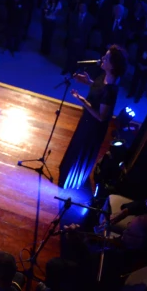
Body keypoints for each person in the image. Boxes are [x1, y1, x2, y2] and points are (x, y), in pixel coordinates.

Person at [58, 45, 127, 190]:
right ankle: (66, 173)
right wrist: (88, 81)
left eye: (106, 58)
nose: (102, 59)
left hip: (93, 127)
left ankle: (71, 182)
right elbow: (99, 88)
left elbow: (101, 117)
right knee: (77, 146)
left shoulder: (111, 90)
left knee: (81, 150)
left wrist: (82, 100)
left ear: (113, 65)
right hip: (87, 120)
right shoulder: (104, 77)